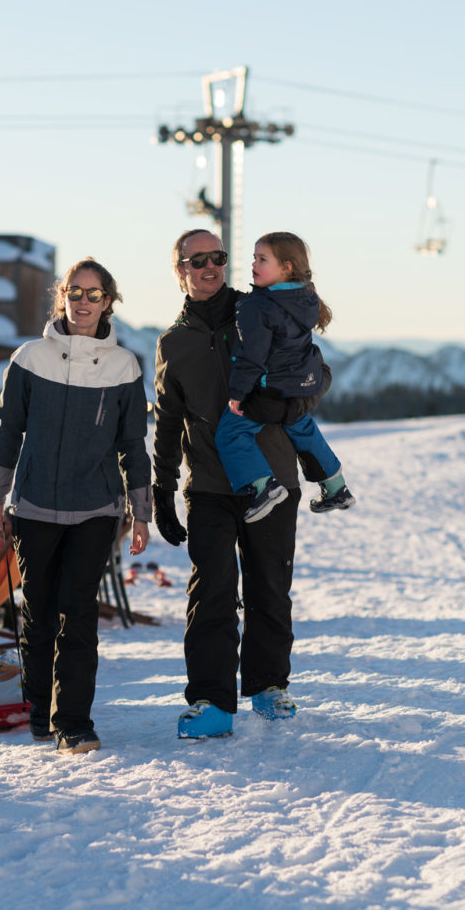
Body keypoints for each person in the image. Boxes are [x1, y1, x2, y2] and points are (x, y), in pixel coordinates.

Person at [153, 229, 332, 739]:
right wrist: (163, 491)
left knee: (269, 587)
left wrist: (290, 404)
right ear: (180, 271)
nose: (209, 266)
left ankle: (269, 687)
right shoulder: (174, 343)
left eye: (218, 257)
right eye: (197, 260)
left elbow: (318, 371)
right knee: (210, 591)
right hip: (209, 485)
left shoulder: (260, 309)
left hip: (272, 475)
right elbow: (167, 421)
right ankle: (211, 701)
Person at [0, 257, 151, 755]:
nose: (83, 302)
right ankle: (40, 710)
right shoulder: (29, 359)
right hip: (34, 505)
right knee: (38, 611)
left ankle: (74, 722)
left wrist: (140, 513)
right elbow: (8, 431)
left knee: (76, 613)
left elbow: (133, 445)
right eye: (75, 293)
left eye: (93, 294)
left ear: (108, 302)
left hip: (96, 509)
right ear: (62, 298)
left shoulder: (124, 366)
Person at [215, 232, 356, 522]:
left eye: (262, 259)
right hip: (301, 387)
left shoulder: (255, 306)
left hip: (272, 388)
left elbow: (252, 355)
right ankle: (335, 486)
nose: (254, 264)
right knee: (302, 426)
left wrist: (238, 393)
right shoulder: (305, 297)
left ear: (286, 267)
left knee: (232, 431)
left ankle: (262, 485)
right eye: (254, 257)